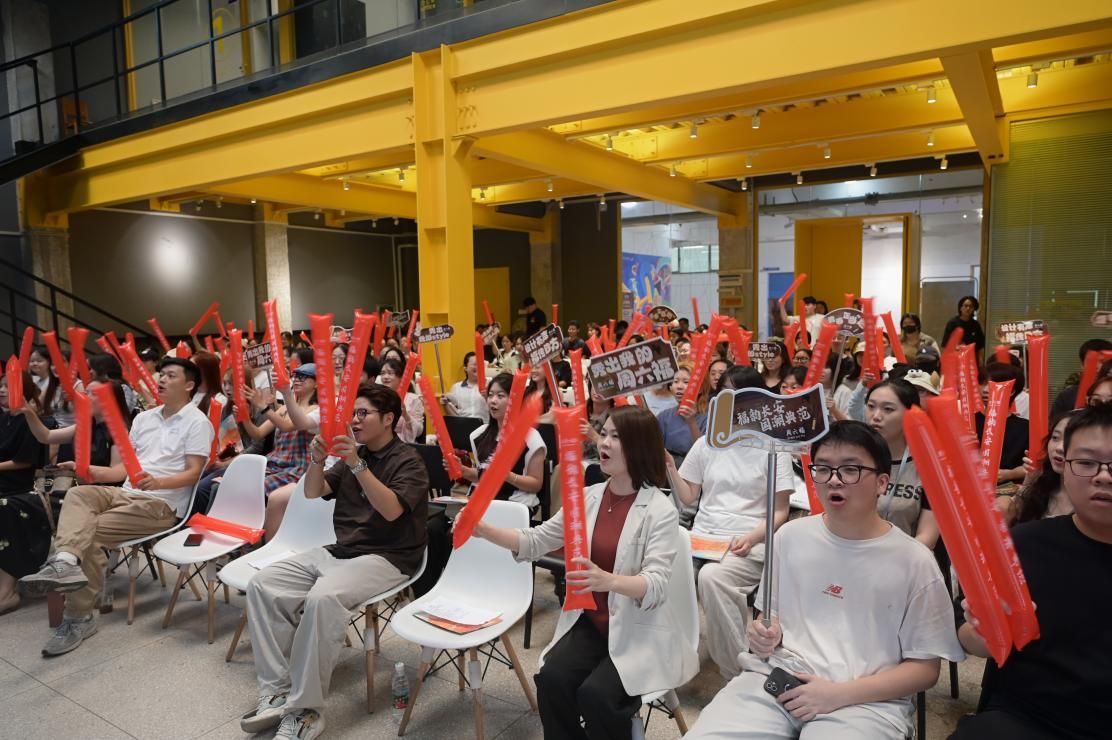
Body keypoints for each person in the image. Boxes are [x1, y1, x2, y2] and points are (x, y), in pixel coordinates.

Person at [686, 421, 963, 740]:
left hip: (865, 701)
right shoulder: (790, 537)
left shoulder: (914, 561)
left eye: (850, 469)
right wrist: (764, 633)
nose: (834, 479)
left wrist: (836, 695)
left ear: (882, 482)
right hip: (779, 679)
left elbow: (925, 670)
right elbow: (770, 617)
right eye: (823, 468)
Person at [471, 405, 698, 739]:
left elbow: (656, 583)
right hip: (592, 624)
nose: (603, 442)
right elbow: (536, 540)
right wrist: (482, 530)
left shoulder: (659, 510)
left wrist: (608, 581)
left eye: (616, 437)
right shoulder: (587, 498)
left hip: (639, 629)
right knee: (552, 681)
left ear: (639, 446)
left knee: (597, 697)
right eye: (603, 434)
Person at [238, 385, 429, 740]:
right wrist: (316, 460)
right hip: (343, 549)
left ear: (389, 419)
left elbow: (391, 511)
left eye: (363, 413)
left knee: (323, 598)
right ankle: (277, 691)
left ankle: (306, 711)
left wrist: (357, 465)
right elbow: (313, 491)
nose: (355, 420)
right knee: (263, 584)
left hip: (389, 555)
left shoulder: (409, 461)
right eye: (353, 413)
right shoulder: (353, 455)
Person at [20, 358, 213, 656]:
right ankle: (66, 562)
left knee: (91, 533)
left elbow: (193, 473)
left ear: (189, 385)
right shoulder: (144, 419)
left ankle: (78, 618)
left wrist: (157, 483)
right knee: (79, 494)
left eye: (170, 375)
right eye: (161, 374)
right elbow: (123, 470)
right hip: (126, 492)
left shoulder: (198, 422)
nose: (161, 379)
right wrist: (88, 470)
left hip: (161, 504)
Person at [950, 405, 1112, 740]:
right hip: (1029, 718)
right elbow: (968, 636)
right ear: (1063, 467)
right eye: (1086, 463)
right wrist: (987, 629)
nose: (1103, 476)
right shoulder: (1024, 544)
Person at [670, 365, 795, 678]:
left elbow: (780, 511)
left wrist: (752, 537)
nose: (733, 402)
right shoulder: (707, 443)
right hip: (703, 539)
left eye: (740, 395)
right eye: (725, 394)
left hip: (748, 541)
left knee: (712, 578)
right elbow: (688, 496)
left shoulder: (772, 446)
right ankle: (663, 661)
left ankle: (736, 671)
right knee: (658, 571)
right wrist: (669, 467)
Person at [1, 380, 126, 615]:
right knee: (7, 507)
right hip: (72, 492)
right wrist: (28, 412)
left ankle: (8, 590)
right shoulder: (85, 425)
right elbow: (46, 436)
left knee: (11, 507)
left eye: (91, 393)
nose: (83, 397)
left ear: (108, 400)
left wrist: (83, 469)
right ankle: (10, 583)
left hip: (102, 497)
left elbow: (118, 473)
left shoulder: (118, 430)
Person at [864, 379, 939, 548]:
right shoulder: (852, 457)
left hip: (906, 557)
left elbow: (927, 537)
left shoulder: (929, 466)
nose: (876, 416)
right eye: (871, 406)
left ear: (911, 414)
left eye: (888, 409)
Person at [456, 373, 546, 511]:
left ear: (515, 400)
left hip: (516, 504)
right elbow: (484, 475)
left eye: (500, 396)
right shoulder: (478, 435)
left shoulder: (531, 438)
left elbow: (536, 484)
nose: (493, 400)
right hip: (481, 501)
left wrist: (508, 476)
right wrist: (464, 471)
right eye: (490, 395)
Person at [0, 371, 48, 614]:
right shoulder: (2, 417)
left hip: (16, 486)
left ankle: (7, 590)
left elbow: (25, 461)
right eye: (1, 385)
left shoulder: (29, 419)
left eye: (8, 386)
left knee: (5, 510)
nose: (2, 390)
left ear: (23, 390)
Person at [998, 410, 1076, 525]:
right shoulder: (1043, 482)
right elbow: (1021, 514)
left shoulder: (1094, 499)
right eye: (1055, 437)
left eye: (1070, 440)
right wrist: (1030, 480)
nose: (1059, 448)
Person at [975, 362, 1030, 484]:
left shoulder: (1025, 428)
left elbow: (1034, 465)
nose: (985, 390)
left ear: (1012, 391)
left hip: (1011, 489)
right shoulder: (968, 423)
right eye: (982, 383)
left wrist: (1009, 474)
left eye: (993, 384)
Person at [654, 361, 708, 469]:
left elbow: (705, 453)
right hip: (669, 470)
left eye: (686, 382)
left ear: (700, 388)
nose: (679, 386)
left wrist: (691, 422)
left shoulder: (710, 417)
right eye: (675, 381)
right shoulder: (664, 416)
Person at [1050, 339, 1112, 415]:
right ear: (1082, 366)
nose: (1097, 366)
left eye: (1103, 362)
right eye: (1091, 362)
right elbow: (1055, 421)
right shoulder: (1067, 396)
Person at [377, 357, 424, 444]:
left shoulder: (413, 399)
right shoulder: (377, 398)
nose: (385, 377)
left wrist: (406, 415)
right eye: (382, 373)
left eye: (390, 373)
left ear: (401, 378)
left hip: (404, 445)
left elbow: (419, 431)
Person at [442, 351, 489, 422]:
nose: (478, 367)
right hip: (463, 426)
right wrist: (445, 405)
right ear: (465, 368)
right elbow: (452, 414)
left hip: (484, 425)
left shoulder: (490, 385)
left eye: (481, 364)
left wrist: (487, 397)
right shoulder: (456, 387)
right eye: (475, 364)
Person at [941, 295, 986, 360]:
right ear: (960, 308)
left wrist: (981, 361)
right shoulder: (952, 323)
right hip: (955, 358)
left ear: (973, 309)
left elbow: (980, 346)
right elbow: (945, 345)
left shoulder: (976, 325)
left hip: (972, 359)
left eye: (971, 306)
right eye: (965, 306)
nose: (968, 308)